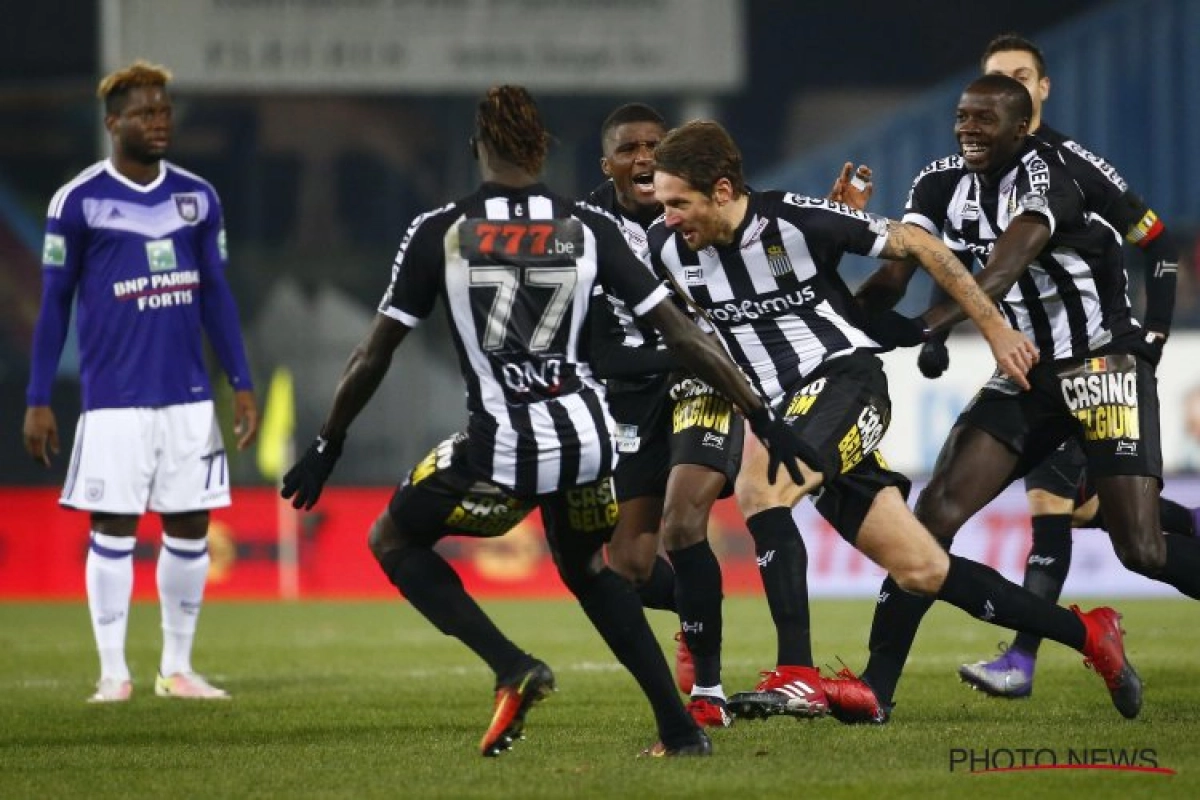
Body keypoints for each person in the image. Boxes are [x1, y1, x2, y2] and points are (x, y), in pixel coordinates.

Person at [279, 86, 814, 758]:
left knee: (392, 538)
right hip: (589, 442)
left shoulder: (440, 231)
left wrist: (328, 442)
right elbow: (684, 335)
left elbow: (374, 352)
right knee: (591, 570)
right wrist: (764, 416)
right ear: (544, 150)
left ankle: (511, 665)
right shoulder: (589, 227)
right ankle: (679, 731)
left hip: (503, 449)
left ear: (478, 146)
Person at [645, 119, 1140, 727]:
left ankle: (797, 674)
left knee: (759, 489)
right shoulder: (665, 248)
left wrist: (994, 327)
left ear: (722, 191)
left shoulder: (795, 220)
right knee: (923, 568)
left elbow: (925, 247)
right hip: (788, 415)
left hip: (845, 384)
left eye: (678, 202)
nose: (667, 217)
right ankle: (1089, 634)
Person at [822, 74, 1200, 725]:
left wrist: (927, 327)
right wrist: (831, 297)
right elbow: (891, 277)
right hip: (1027, 372)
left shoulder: (1051, 175)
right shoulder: (938, 185)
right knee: (932, 513)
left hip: (1103, 364)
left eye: (984, 120)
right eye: (963, 117)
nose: (968, 129)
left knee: (1140, 547)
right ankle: (876, 688)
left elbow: (1002, 268)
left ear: (1021, 127)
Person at [22, 60, 259, 703]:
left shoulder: (198, 197)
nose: (159, 122)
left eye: (164, 111)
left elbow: (217, 296)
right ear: (113, 124)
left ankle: (176, 669)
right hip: (114, 400)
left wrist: (240, 380)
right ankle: (112, 673)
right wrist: (38, 398)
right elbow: (54, 306)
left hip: (187, 397)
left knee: (190, 528)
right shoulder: (77, 201)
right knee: (115, 530)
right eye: (145, 113)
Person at [585, 103, 743, 728]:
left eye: (655, 144)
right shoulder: (589, 229)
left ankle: (709, 689)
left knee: (684, 522)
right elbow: (597, 347)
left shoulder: (698, 206)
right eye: (630, 148)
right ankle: (692, 608)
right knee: (622, 567)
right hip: (630, 393)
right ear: (609, 164)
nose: (645, 156)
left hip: (700, 383)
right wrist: (673, 350)